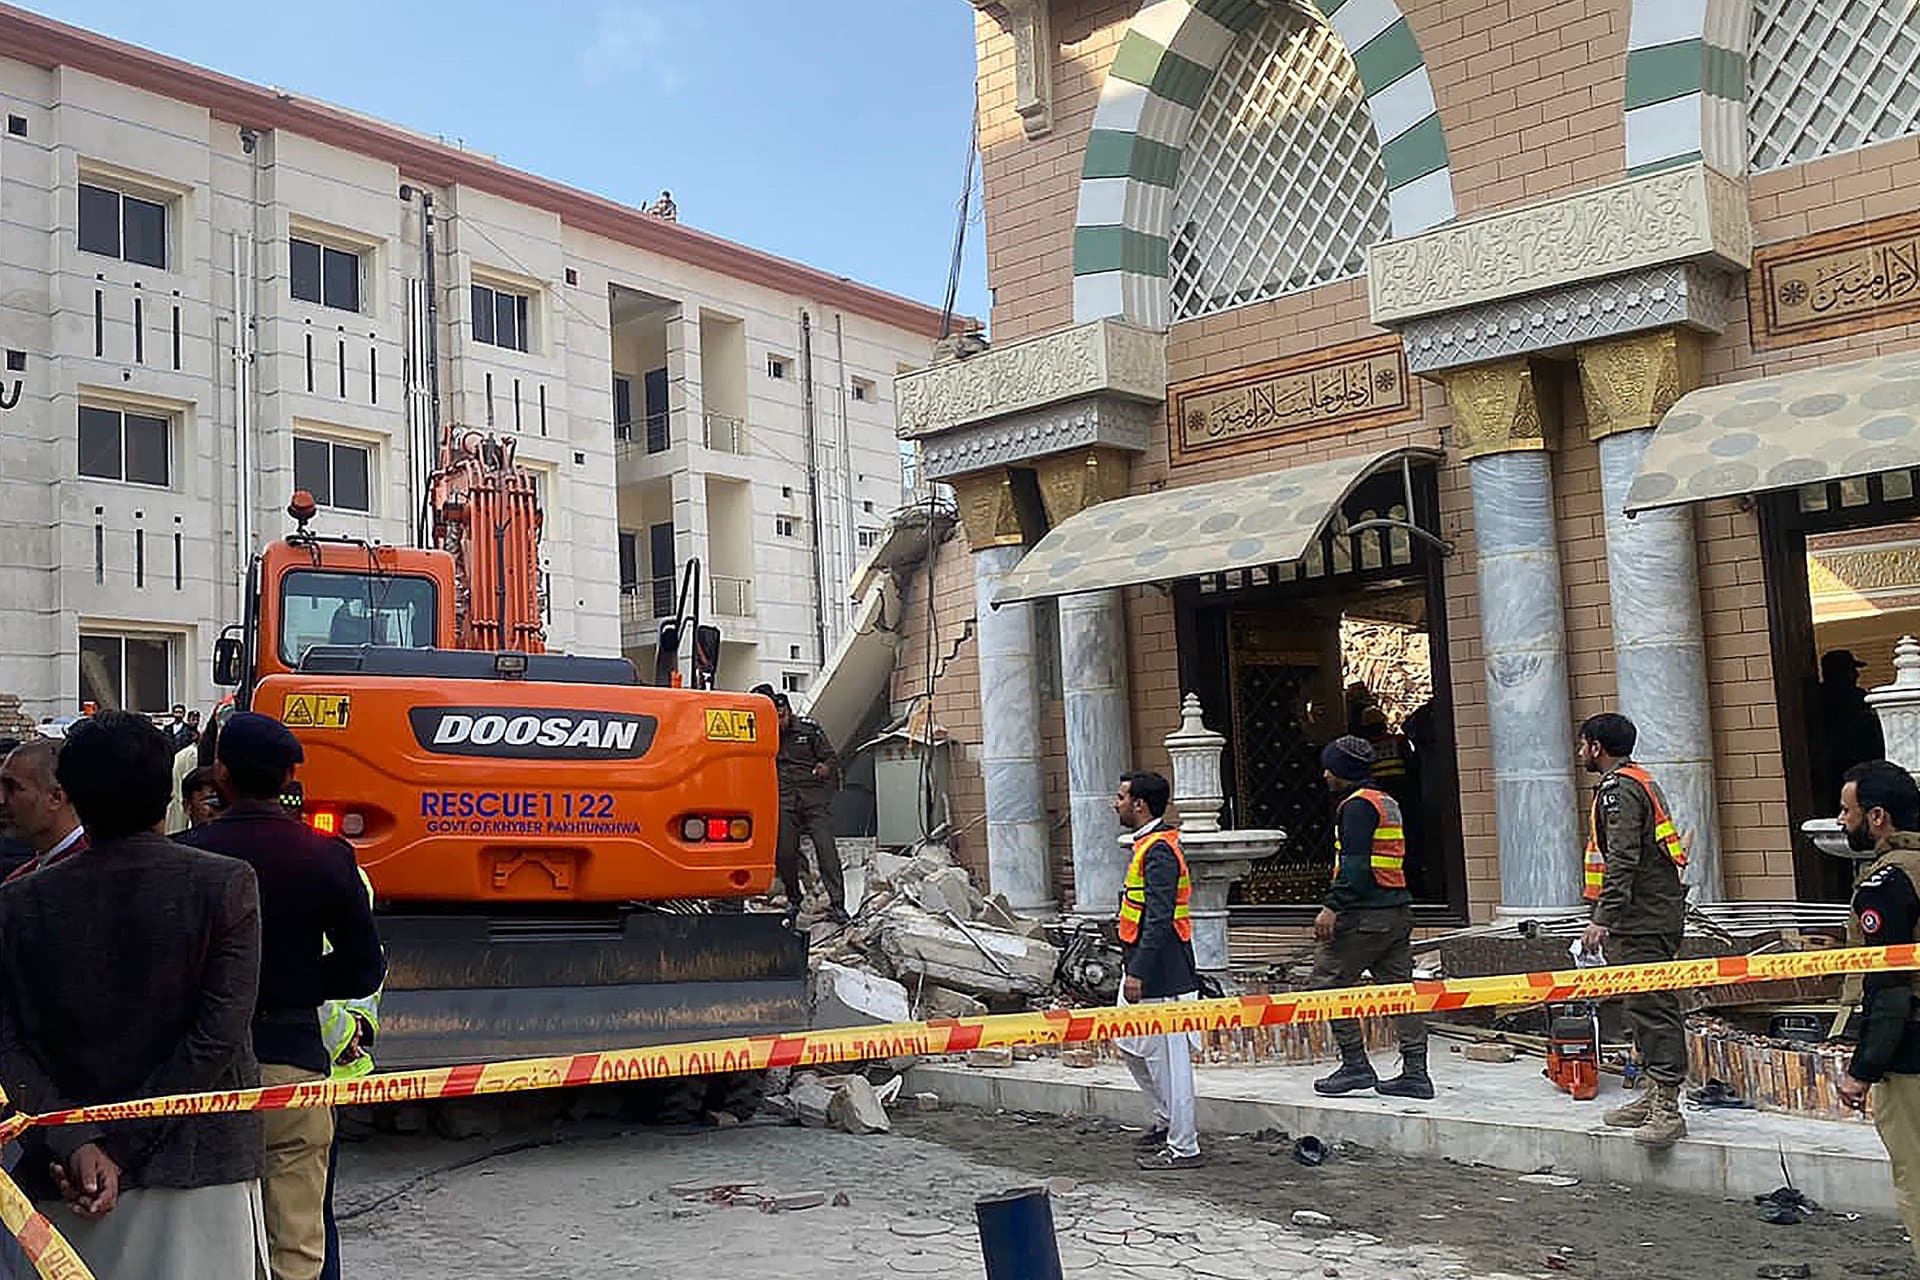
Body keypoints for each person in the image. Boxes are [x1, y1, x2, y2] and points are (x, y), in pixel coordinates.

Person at [0, 711, 268, 1279]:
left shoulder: (21, 903)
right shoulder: (223, 884)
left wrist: (79, 1140)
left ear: (69, 795)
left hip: (68, 1177)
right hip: (197, 1171)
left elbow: (10, 1045)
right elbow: (217, 1035)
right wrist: (114, 1147)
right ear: (167, 790)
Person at [178, 712, 384, 1280]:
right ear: (289, 775)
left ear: (220, 771)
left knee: (207, 1238)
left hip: (197, 1073)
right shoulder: (326, 855)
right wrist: (293, 981)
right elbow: (364, 969)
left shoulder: (189, 854)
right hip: (292, 1062)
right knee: (296, 1244)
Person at [1577, 712, 1690, 1149]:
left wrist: (1602, 917)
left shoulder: (1619, 790)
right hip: (1647, 915)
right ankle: (1653, 1092)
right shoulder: (1637, 780)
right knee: (1640, 1007)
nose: (1581, 751)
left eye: (1584, 744)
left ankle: (1667, 1106)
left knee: (1653, 1007)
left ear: (1597, 747)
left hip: (1643, 919)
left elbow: (1623, 858)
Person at [1310, 735, 1432, 1099]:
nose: (1326, 775)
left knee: (1326, 986)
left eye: (1330, 768)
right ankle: (1415, 1072)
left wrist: (1332, 906)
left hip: (1364, 916)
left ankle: (1355, 1065)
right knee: (1399, 994)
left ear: (1344, 771)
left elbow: (1355, 865)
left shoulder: (1357, 807)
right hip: (1396, 911)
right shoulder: (1386, 801)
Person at [1835, 759, 1920, 1261]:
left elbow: (1889, 986)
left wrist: (1862, 1069)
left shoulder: (1888, 882)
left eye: (1849, 811)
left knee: (1916, 1177)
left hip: (1911, 1054)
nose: (1842, 821)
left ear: (1878, 817)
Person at [1111, 770, 1203, 1171]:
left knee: (1172, 1062)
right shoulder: (1148, 845)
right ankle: (1167, 1121)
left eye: (1121, 797)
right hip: (1146, 966)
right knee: (1129, 1042)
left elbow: (1160, 917)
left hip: (1162, 973)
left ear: (1139, 805)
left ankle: (1184, 1147)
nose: (1116, 803)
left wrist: (1139, 971)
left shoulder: (1160, 850)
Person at [318, 867, 382, 1280]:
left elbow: (368, 958)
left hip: (310, 1076)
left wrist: (352, 1027)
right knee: (314, 1219)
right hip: (316, 1071)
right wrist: (352, 1028)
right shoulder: (338, 867)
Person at [772, 692, 846, 925]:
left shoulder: (808, 730)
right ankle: (795, 898)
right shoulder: (767, 734)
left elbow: (831, 759)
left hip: (812, 798)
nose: (779, 721)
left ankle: (837, 904)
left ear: (789, 712)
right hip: (785, 800)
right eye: (775, 717)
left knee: (826, 851)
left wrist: (824, 768)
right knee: (785, 853)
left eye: (782, 716)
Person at [0, 739, 87, 886]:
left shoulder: (91, 875)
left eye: (12, 787)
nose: (1, 799)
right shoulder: (20, 878)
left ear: (55, 797)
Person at [1819, 650, 1888, 816]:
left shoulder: (1817, 698)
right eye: (1851, 670)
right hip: (1853, 767)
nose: (1856, 675)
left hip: (1831, 770)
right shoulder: (1856, 699)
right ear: (1838, 673)